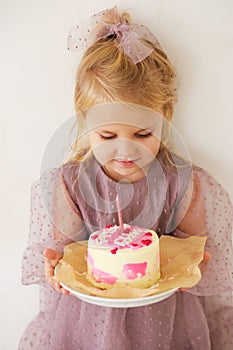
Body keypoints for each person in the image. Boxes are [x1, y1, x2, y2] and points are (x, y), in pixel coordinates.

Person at [19, 6, 233, 350]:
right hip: (89, 318)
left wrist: (197, 261)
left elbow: (194, 248)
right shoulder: (69, 185)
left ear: (167, 117)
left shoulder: (182, 183)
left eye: (143, 133)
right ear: (84, 122)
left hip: (163, 317)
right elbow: (64, 252)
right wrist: (54, 265)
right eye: (107, 136)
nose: (126, 151)